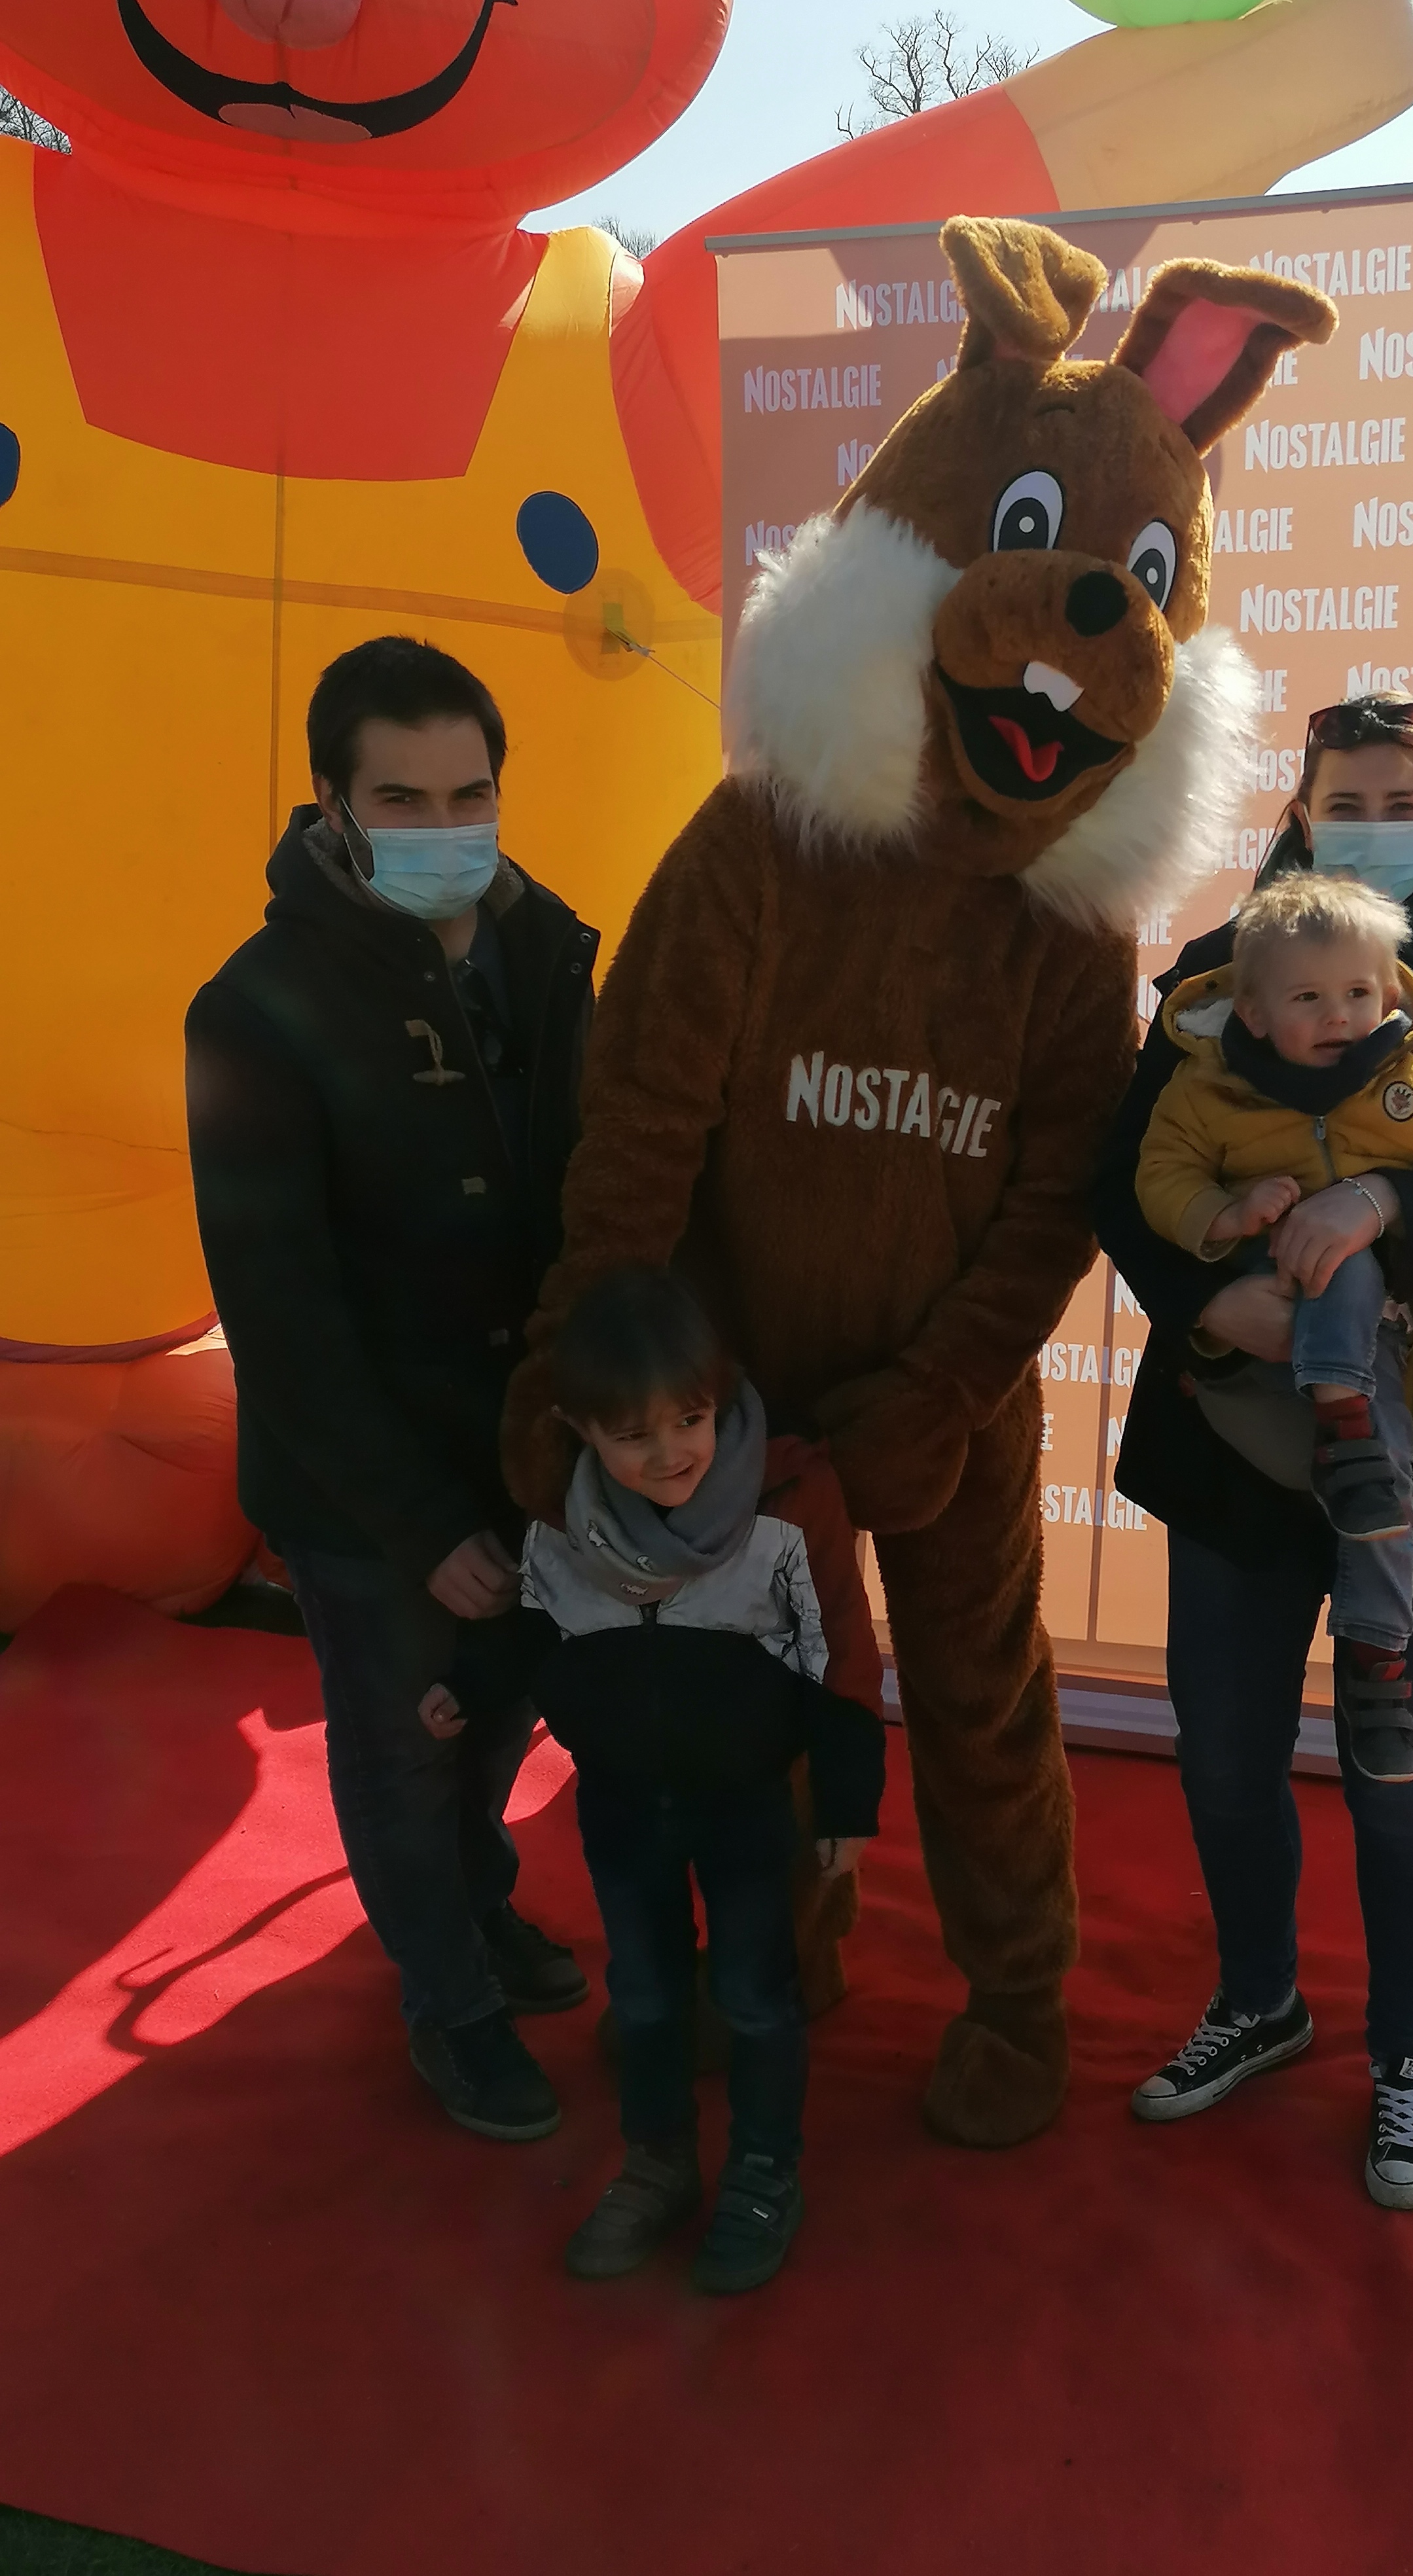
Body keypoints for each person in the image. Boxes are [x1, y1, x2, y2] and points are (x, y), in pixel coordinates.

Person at [1095, 695, 1413, 2206]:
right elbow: (1128, 1181)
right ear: (1300, 815)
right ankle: (1260, 1996)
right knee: (1224, 1749)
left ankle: (1406, 2059)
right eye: (1346, 801)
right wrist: (1212, 1298)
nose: (1374, 824)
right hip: (1237, 1441)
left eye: (1402, 800)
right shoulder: (1213, 983)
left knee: (1400, 1769)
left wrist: (1381, 1205)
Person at [185, 635, 599, 2144]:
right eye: (402, 798)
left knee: (498, 1713)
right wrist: (420, 1524)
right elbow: (279, 1315)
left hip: (523, 1446)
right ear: (334, 805)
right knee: (404, 1740)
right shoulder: (253, 1009)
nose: (444, 825)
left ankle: (472, 1901)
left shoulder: (550, 951)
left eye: (469, 792)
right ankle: (448, 1999)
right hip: (366, 1485)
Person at [458, 1264, 885, 2296]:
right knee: (645, 1997)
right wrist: (459, 1689)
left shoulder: (789, 1505)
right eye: (634, 1435)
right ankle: (657, 2161)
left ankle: (764, 2171)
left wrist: (846, 1800)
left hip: (746, 1806)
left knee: (755, 1993)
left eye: (690, 1420)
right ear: (580, 1431)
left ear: (722, 1397)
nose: (670, 1454)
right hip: (621, 1804)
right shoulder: (561, 1522)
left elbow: (840, 1656)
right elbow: (531, 1627)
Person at [1134, 870, 1413, 1785]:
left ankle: (1376, 1665)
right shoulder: (1207, 1089)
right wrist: (1223, 1216)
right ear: (1253, 1013)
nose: (1339, 1016)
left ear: (1392, 995)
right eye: (1308, 999)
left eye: (1360, 995)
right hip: (1249, 1365)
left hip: (1383, 1357)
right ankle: (1347, 1438)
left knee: (1384, 1508)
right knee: (1227, 1744)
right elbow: (1155, 1179)